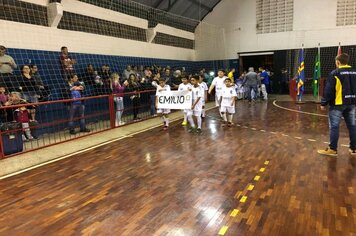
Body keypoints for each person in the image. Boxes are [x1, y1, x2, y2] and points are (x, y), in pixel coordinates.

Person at [317, 53, 356, 157]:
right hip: (352, 104)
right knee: (352, 126)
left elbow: (329, 90)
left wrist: (323, 103)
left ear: (338, 62)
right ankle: (354, 149)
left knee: (334, 127)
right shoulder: (354, 72)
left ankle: (333, 149)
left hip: (338, 104)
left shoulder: (335, 73)